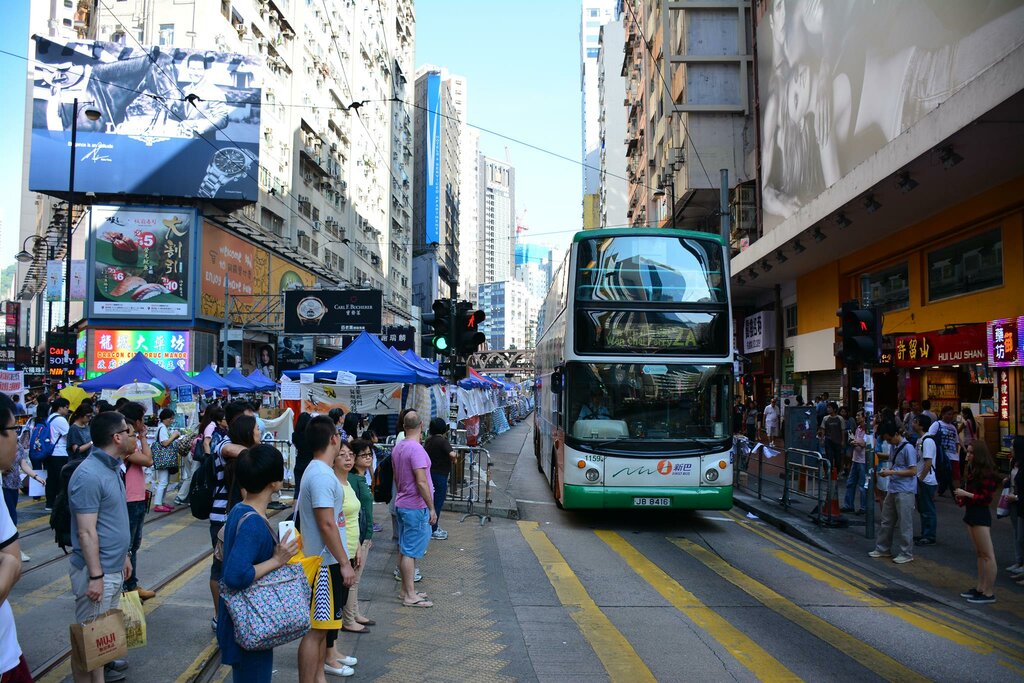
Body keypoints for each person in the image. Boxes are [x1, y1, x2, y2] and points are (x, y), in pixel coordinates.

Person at [217, 445, 299, 683]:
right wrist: (277, 560)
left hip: (244, 620)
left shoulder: (240, 510)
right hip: (250, 622)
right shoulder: (253, 523)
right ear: (274, 482)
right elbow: (235, 575)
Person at [68, 410, 135, 683]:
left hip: (113, 567)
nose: (135, 437)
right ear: (117, 438)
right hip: (97, 573)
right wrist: (95, 576)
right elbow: (86, 532)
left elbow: (112, 520)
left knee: (101, 641)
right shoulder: (89, 475)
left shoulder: (112, 467)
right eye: (129, 432)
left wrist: (125, 555)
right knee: (88, 644)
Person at [295, 416, 356, 683]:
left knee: (321, 629)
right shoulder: (320, 474)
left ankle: (319, 677)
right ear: (333, 439)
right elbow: (327, 523)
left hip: (325, 561)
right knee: (316, 632)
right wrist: (344, 562)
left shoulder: (319, 471)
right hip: (323, 564)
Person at [0, 392, 33, 682]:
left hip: (8, 649)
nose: (17, 438)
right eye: (14, 429)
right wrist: (9, 566)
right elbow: (12, 563)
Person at [391, 411, 436, 608]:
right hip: (415, 507)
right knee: (410, 551)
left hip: (402, 503)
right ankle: (410, 594)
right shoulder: (416, 450)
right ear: (421, 424)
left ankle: (405, 590)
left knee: (404, 548)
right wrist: (431, 507)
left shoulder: (398, 447)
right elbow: (421, 481)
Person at [327, 441, 362, 673]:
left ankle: (334, 651)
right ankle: (328, 657)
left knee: (338, 604)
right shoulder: (333, 486)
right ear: (333, 460)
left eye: (351, 455)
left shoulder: (347, 484)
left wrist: (357, 546)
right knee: (332, 607)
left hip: (349, 550)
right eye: (342, 455)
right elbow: (331, 522)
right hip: (337, 554)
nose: (348, 459)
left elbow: (350, 520)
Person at [954, 442, 1001, 604]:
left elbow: (986, 499)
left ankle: (988, 592)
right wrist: (962, 497)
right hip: (971, 513)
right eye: (968, 453)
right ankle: (980, 587)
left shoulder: (987, 474)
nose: (967, 456)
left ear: (979, 455)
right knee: (980, 554)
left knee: (987, 554)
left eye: (971, 453)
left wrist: (965, 494)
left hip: (981, 514)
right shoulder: (973, 471)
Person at [118, 402, 156, 601]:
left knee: (134, 544)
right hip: (129, 499)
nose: (145, 422)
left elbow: (148, 458)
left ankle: (131, 584)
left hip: (138, 497)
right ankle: (127, 587)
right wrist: (140, 437)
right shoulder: (126, 442)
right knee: (129, 546)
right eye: (143, 418)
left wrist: (141, 437)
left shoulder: (133, 439)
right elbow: (148, 460)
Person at [869, 420, 917, 565]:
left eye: (890, 439)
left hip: (905, 490)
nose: (889, 442)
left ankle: (906, 553)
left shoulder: (908, 448)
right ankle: (883, 548)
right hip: (894, 487)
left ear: (896, 434)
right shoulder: (894, 447)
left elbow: (913, 471)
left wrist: (891, 472)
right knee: (887, 520)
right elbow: (893, 463)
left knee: (905, 523)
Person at [343, 438, 376, 632]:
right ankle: (349, 619)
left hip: (365, 535)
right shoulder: (353, 480)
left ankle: (355, 613)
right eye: (363, 455)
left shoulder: (361, 478)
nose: (368, 458)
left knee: (357, 578)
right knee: (354, 579)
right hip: (358, 535)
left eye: (369, 454)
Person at [423, 418, 455, 541]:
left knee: (429, 502)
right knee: (437, 503)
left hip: (429, 475)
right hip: (440, 476)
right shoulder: (443, 441)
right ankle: (433, 529)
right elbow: (452, 454)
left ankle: (429, 528)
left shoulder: (428, 441)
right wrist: (455, 456)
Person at [912, 415, 939, 546]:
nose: (912, 424)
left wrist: (921, 479)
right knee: (922, 508)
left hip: (926, 480)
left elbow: (928, 462)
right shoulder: (920, 440)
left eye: (915, 421)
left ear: (921, 425)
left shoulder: (927, 441)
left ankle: (929, 535)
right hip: (921, 478)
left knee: (927, 509)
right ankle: (924, 533)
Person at [152, 408, 182, 513]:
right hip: (163, 459)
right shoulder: (163, 428)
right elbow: (165, 443)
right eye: (170, 418)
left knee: (165, 481)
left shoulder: (162, 427)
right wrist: (174, 436)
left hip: (163, 459)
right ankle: (158, 504)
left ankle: (161, 502)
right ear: (165, 419)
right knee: (163, 481)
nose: (172, 420)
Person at [45, 397, 72, 510]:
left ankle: (50, 503)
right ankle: (60, 505)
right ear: (60, 407)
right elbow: (69, 435)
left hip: (50, 453)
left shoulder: (50, 417)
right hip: (60, 453)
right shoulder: (60, 420)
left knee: (52, 479)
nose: (67, 410)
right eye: (66, 407)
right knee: (61, 480)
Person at [841, 410, 868, 514]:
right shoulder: (858, 429)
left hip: (863, 460)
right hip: (855, 459)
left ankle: (863, 507)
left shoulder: (868, 430)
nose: (857, 417)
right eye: (856, 415)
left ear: (864, 417)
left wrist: (856, 442)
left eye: (858, 415)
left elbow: (864, 444)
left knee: (862, 485)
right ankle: (848, 505)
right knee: (850, 483)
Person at [1005, 437, 1024, 581]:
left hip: (1019, 501)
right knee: (1017, 533)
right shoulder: (1013, 462)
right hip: (1013, 501)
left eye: (1012, 446)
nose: (1010, 448)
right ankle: (1019, 562)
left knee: (1021, 535)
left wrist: (1016, 497)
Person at [929, 405, 961, 490]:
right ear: (943, 414)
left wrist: (956, 453)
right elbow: (930, 437)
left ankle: (957, 495)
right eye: (948, 414)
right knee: (940, 475)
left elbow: (956, 441)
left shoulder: (953, 427)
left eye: (952, 414)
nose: (950, 416)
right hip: (942, 455)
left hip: (953, 456)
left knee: (956, 476)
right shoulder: (937, 424)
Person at [819, 402, 845, 472]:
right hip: (828, 440)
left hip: (837, 441)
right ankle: (829, 473)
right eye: (828, 407)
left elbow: (842, 430)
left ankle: (837, 472)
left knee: (837, 458)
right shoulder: (825, 418)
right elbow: (823, 429)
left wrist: (842, 441)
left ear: (835, 409)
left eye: (830, 408)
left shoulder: (840, 419)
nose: (828, 409)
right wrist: (822, 439)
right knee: (829, 457)